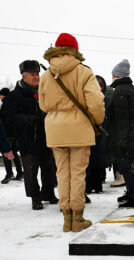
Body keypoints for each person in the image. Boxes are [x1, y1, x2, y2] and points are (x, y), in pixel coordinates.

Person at [39, 33, 105, 231]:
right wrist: (96, 120)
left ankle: (66, 219)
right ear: (74, 50)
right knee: (78, 173)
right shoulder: (84, 72)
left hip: (54, 128)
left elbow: (43, 105)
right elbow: (95, 102)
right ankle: (77, 218)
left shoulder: (46, 75)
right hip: (79, 128)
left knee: (62, 172)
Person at [5, 60, 59, 210]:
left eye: (37, 74)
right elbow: (8, 118)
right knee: (30, 171)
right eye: (32, 74)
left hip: (46, 138)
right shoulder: (15, 95)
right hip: (27, 139)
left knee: (49, 169)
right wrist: (28, 120)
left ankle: (48, 193)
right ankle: (35, 197)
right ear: (24, 76)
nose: (36, 77)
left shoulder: (44, 92)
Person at [106, 59, 134, 207]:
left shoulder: (121, 91)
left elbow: (122, 121)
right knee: (127, 168)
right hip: (133, 137)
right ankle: (131, 193)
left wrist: (121, 142)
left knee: (125, 168)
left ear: (116, 75)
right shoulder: (130, 89)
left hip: (126, 139)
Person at [85, 75, 111, 194]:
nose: (99, 88)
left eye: (101, 85)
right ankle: (89, 186)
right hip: (89, 133)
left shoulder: (106, 100)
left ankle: (98, 184)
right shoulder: (86, 99)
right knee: (88, 161)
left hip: (102, 134)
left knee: (99, 161)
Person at [0, 87, 24, 183]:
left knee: (6, 153)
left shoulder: (5, 104)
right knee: (14, 152)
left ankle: (9, 173)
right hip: (15, 133)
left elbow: (5, 120)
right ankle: (20, 173)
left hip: (8, 134)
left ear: (3, 95)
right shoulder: (14, 103)